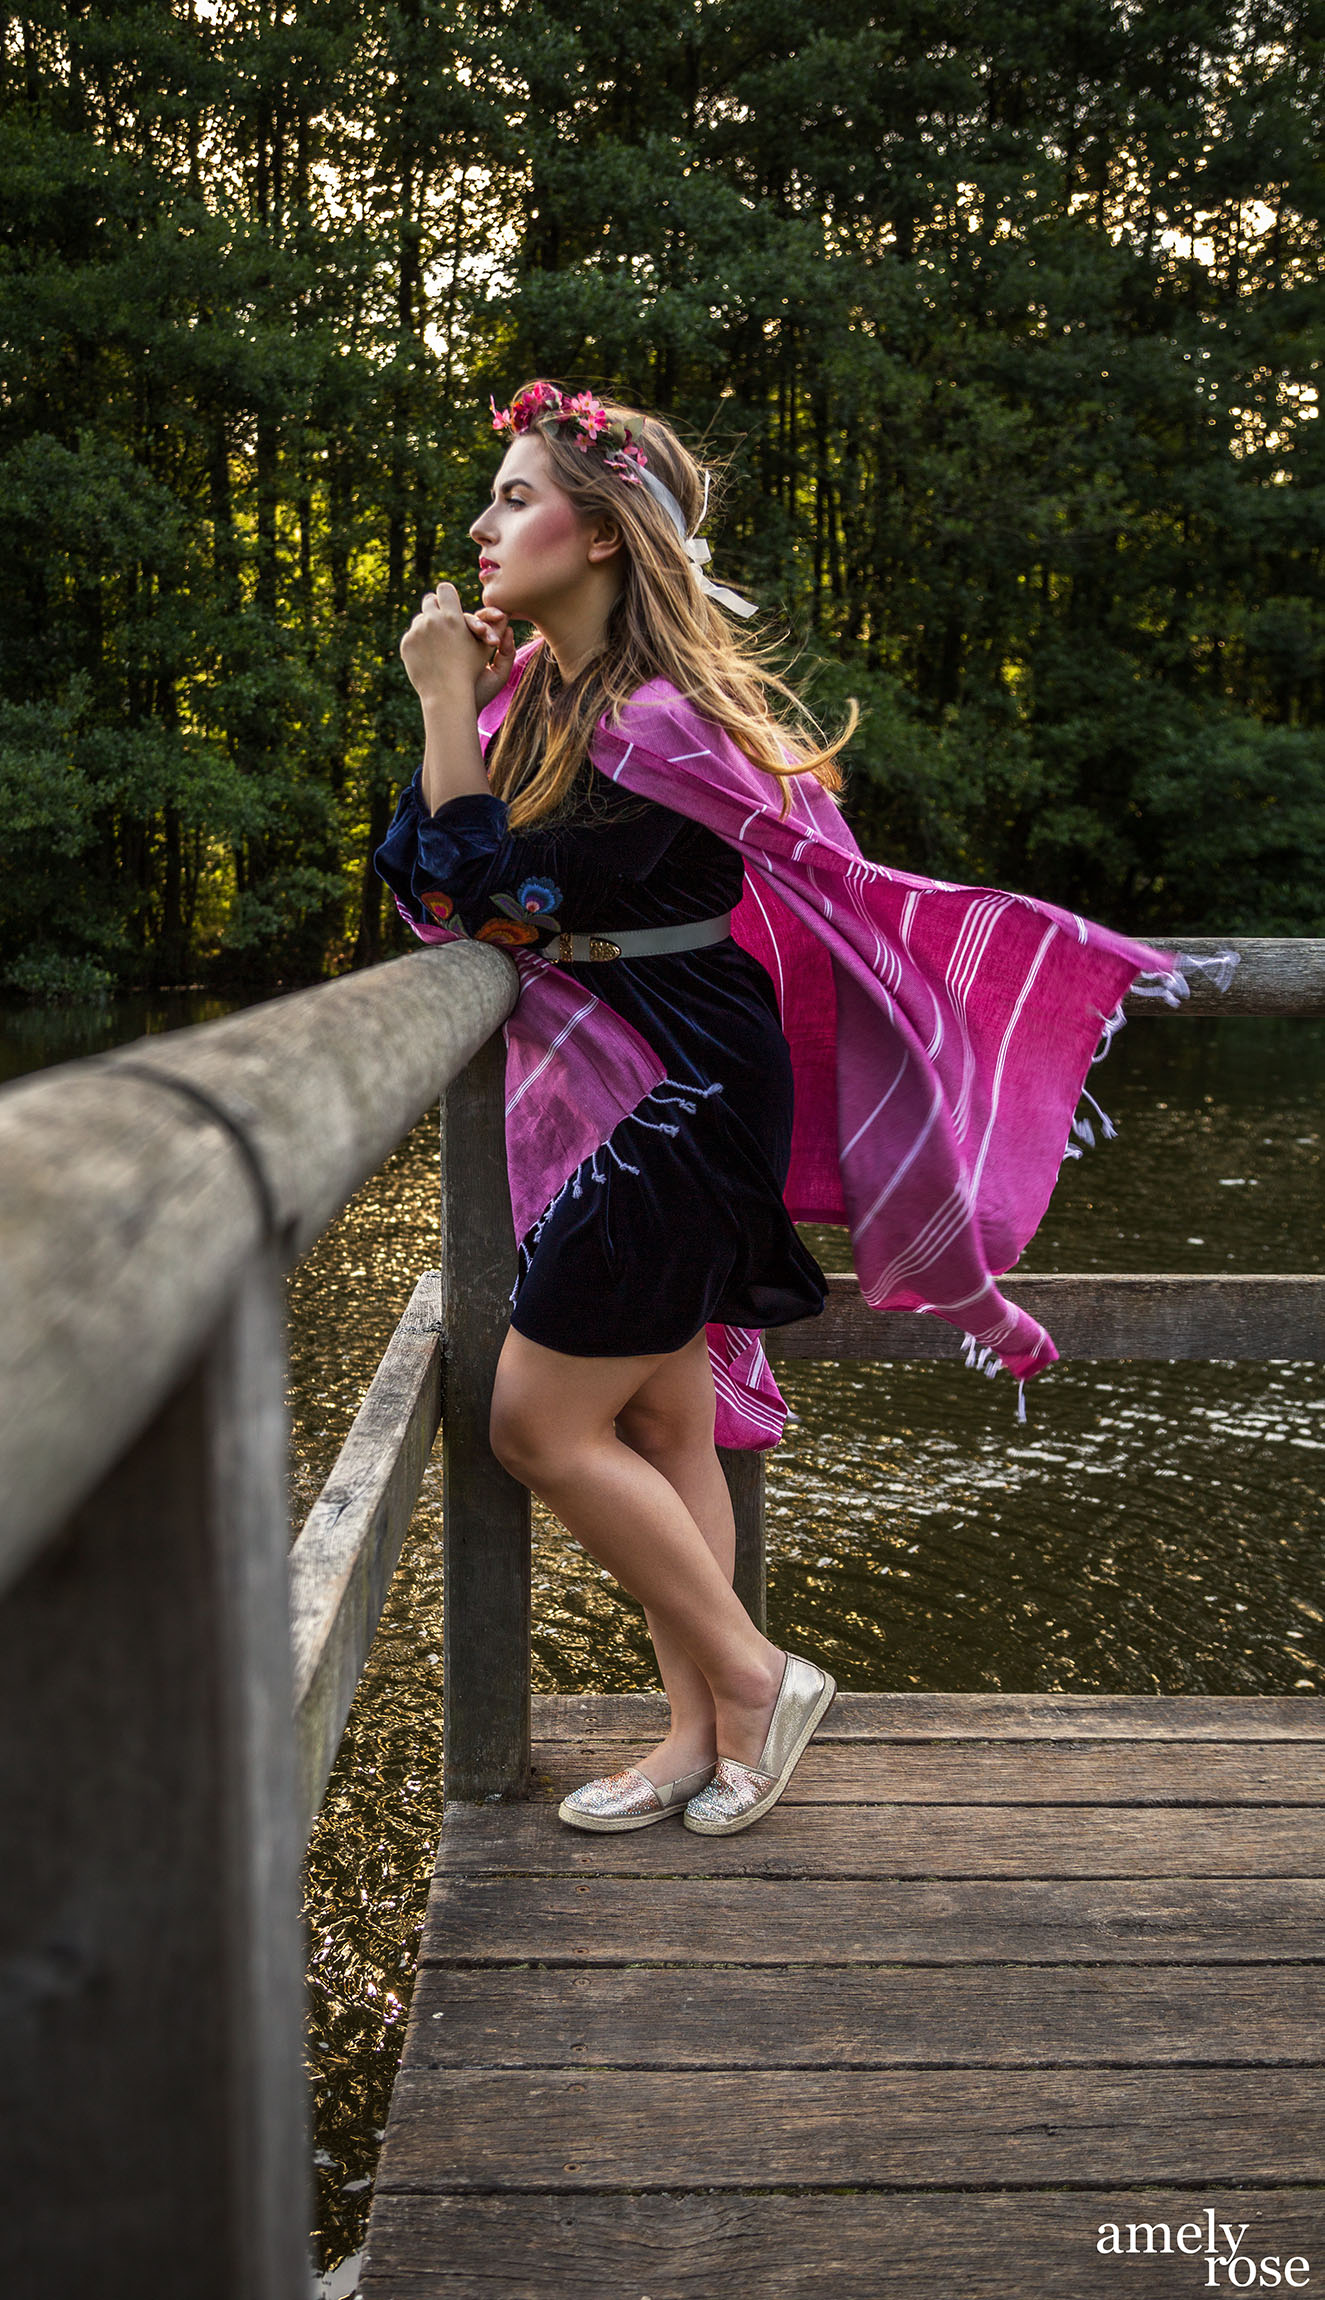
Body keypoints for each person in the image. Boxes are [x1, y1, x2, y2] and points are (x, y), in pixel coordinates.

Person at [374, 379, 1187, 1837]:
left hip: (681, 1099)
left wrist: (439, 700)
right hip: (653, 1075)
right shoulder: (535, 706)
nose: (483, 522)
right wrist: (462, 707)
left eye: (514, 495)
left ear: (607, 533)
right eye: (491, 494)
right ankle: (690, 1738)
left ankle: (751, 1679)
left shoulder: (660, 721)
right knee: (670, 1428)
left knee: (536, 1428)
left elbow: (487, 894)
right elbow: (424, 880)